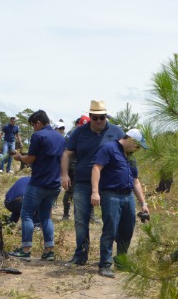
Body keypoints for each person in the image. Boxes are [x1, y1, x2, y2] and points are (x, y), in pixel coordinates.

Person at [62, 101, 125, 266]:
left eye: (102, 117)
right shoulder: (79, 132)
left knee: (111, 221)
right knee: (80, 220)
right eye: (95, 118)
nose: (99, 121)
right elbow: (67, 154)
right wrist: (64, 175)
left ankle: (109, 258)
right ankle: (80, 255)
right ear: (89, 117)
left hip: (108, 184)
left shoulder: (116, 131)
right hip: (82, 182)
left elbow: (127, 154)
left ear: (106, 116)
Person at [90, 129, 150, 278]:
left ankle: (121, 260)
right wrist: (95, 192)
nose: (139, 149)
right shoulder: (109, 148)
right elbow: (97, 168)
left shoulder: (130, 157)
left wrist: (143, 203)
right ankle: (105, 264)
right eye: (138, 145)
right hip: (111, 195)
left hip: (128, 196)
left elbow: (135, 180)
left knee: (127, 230)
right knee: (110, 230)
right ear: (131, 140)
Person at [6, 110, 65, 261]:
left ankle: (25, 250)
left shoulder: (38, 136)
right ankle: (49, 251)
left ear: (38, 122)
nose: (33, 128)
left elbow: (30, 158)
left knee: (26, 215)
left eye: (33, 125)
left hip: (39, 182)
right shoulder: (60, 137)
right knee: (45, 217)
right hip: (54, 184)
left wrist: (19, 157)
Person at [61, 115, 89, 220]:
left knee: (88, 190)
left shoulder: (89, 134)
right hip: (72, 165)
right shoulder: (71, 134)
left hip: (83, 166)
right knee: (69, 190)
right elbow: (65, 152)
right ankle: (65, 214)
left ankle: (89, 216)